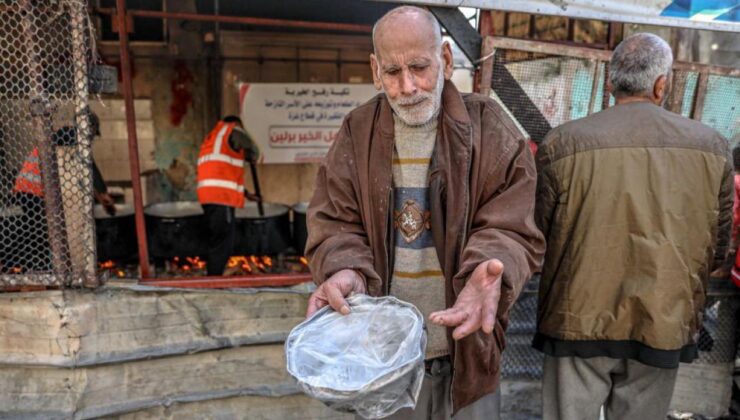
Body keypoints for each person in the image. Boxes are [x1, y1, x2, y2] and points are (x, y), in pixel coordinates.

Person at [304, 6, 545, 419]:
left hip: (468, 355)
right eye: (393, 72)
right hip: (384, 361)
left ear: (446, 60)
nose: (408, 85)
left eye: (419, 67)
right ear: (374, 71)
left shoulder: (489, 127)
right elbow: (334, 223)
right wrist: (347, 269)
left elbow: (514, 223)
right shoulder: (356, 132)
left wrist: (489, 265)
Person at [534, 32, 733, 420]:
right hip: (663, 319)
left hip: (576, 318)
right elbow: (718, 243)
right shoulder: (712, 148)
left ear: (611, 83)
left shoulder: (562, 143)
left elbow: (539, 232)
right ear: (662, 85)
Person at [11, 110, 115, 271]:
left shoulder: (67, 138)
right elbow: (89, 165)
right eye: (93, 133)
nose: (92, 138)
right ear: (89, 128)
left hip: (27, 189)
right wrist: (103, 193)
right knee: (42, 234)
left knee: (37, 233)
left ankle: (38, 269)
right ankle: (39, 270)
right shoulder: (68, 135)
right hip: (33, 191)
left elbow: (84, 171)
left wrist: (101, 197)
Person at [196, 115, 260, 276]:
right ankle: (214, 280)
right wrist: (251, 156)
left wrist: (246, 194)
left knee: (218, 237)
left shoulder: (212, 138)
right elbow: (253, 151)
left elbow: (222, 173)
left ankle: (214, 275)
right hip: (221, 198)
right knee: (223, 242)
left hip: (209, 196)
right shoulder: (233, 130)